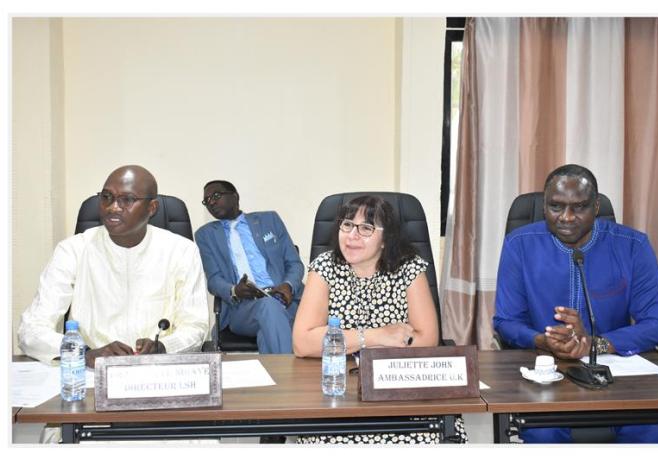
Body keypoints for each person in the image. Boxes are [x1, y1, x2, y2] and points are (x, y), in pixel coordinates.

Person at [493, 164, 658, 443]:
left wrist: (596, 343)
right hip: (545, 377)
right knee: (544, 436)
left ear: (596, 206)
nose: (567, 217)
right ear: (544, 206)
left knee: (656, 432)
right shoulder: (520, 245)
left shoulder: (632, 245)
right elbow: (506, 322)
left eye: (580, 207)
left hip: (618, 378)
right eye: (556, 206)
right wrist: (543, 340)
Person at [292, 195, 467, 444]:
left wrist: (349, 345)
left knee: (429, 438)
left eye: (366, 228)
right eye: (347, 225)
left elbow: (427, 340)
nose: (352, 235)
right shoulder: (324, 268)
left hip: (399, 389)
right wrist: (376, 336)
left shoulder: (409, 268)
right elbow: (303, 342)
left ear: (386, 239)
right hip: (339, 389)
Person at [18, 165, 210, 368]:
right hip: (91, 375)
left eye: (127, 200)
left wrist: (163, 347)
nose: (113, 207)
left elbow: (195, 326)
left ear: (152, 208)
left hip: (159, 372)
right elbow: (30, 330)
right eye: (107, 197)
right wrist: (86, 354)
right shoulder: (73, 250)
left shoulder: (181, 251)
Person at [195, 180, 304, 354]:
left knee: (267, 335)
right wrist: (234, 290)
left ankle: (276, 379)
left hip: (286, 301)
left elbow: (294, 263)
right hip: (243, 309)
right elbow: (214, 280)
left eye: (216, 196)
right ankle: (293, 378)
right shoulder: (205, 235)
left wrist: (288, 285)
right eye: (207, 201)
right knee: (269, 306)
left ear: (235, 196)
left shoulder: (270, 219)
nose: (212, 202)